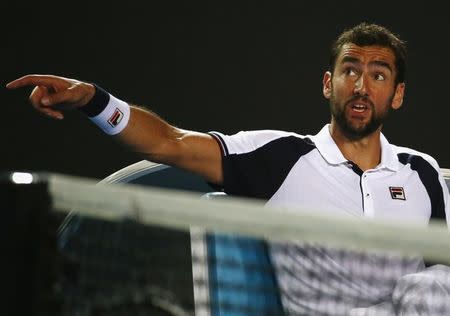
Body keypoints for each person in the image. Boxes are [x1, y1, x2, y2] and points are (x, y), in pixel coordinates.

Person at [7, 23, 450, 315]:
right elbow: (169, 143)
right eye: (349, 70)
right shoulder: (278, 158)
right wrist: (93, 100)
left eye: (377, 75)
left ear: (397, 94)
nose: (360, 85)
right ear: (327, 83)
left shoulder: (424, 173)